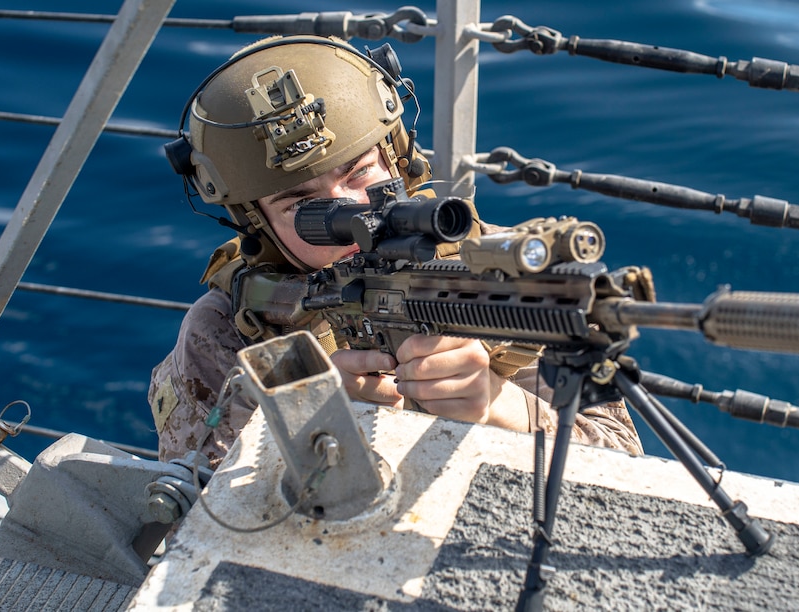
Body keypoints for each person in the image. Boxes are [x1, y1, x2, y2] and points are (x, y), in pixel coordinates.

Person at [148, 35, 643, 468]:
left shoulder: (499, 272)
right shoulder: (227, 327)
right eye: (301, 205)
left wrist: (501, 408)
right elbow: (191, 506)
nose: (350, 216)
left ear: (399, 160)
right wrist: (311, 417)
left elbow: (625, 472)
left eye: (361, 173)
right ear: (257, 224)